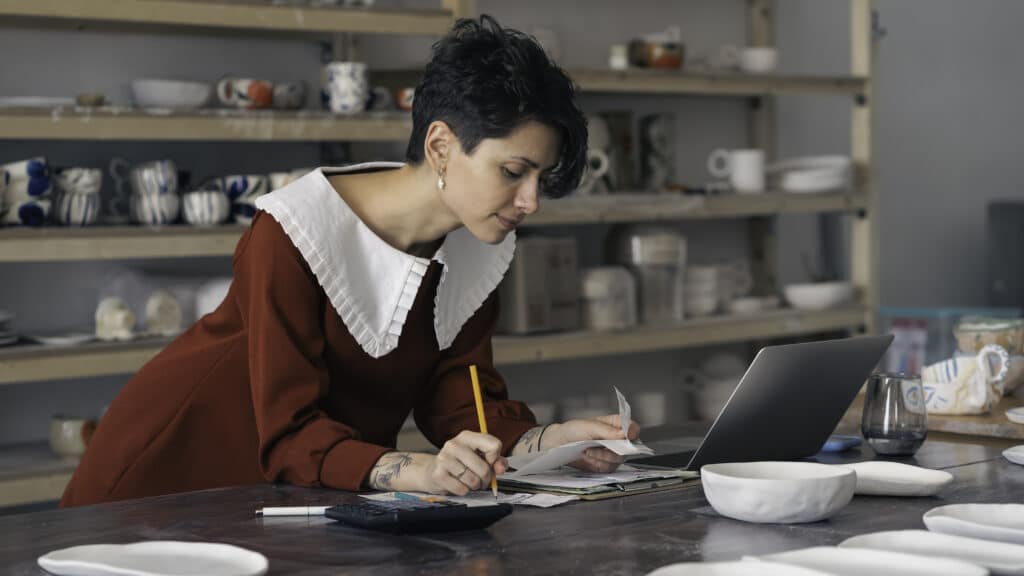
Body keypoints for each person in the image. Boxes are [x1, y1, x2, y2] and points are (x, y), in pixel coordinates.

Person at [61, 15, 639, 507]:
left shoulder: (475, 242)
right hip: (169, 480)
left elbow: (461, 404)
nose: (531, 200)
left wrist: (554, 440)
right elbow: (289, 433)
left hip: (295, 495)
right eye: (513, 173)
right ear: (439, 146)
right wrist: (417, 472)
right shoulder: (293, 231)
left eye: (541, 178)